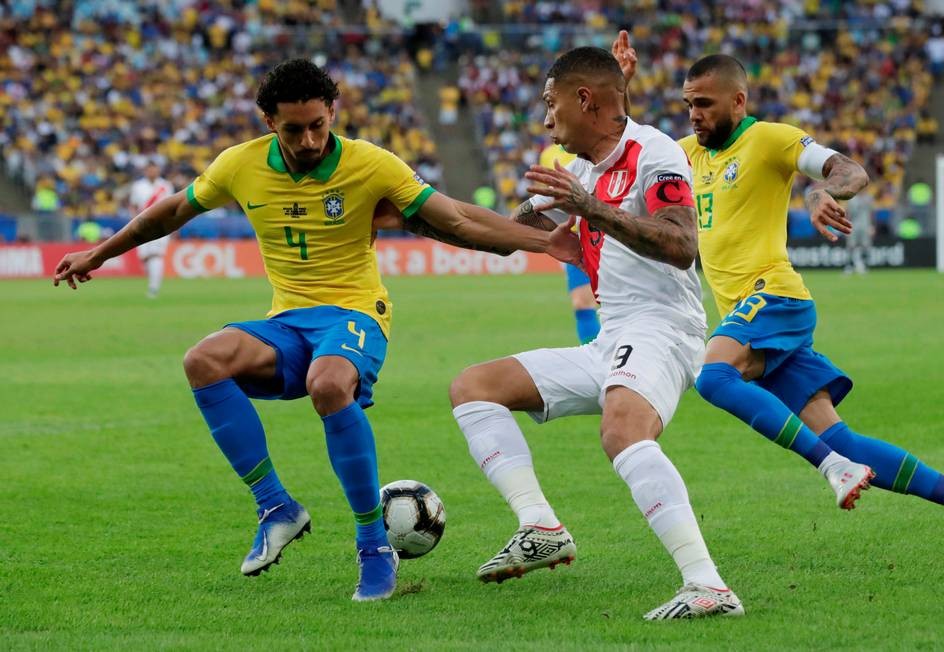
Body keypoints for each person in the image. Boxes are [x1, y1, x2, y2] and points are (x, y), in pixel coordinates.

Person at [54, 58, 580, 603]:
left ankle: (373, 546)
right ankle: (276, 506)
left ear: (332, 112)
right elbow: (168, 214)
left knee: (327, 384)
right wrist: (98, 253)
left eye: (317, 125)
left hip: (356, 314)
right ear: (267, 122)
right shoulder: (240, 164)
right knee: (202, 360)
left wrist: (543, 243)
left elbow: (456, 217)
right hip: (288, 320)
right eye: (292, 129)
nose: (307, 139)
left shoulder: (372, 163)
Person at [613, 33, 944, 561]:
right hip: (750, 317)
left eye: (704, 104)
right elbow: (632, 149)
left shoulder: (771, 139)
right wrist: (622, 88)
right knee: (843, 439)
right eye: (687, 105)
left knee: (713, 375)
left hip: (774, 295)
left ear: (738, 101)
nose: (693, 115)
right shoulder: (683, 154)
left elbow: (850, 170)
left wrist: (823, 190)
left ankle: (830, 467)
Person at [448, 47, 743, 621]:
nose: (544, 118)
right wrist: (415, 212)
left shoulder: (654, 154)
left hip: (664, 328)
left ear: (585, 100)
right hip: (611, 339)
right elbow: (509, 230)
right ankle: (540, 526)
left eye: (551, 103)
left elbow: (682, 247)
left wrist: (590, 209)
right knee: (474, 386)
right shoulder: (579, 170)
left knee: (622, 428)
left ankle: (707, 585)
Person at [540, 142, 600, 343]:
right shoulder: (548, 155)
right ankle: (596, 359)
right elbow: (547, 199)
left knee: (620, 306)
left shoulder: (598, 149)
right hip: (578, 239)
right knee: (582, 304)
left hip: (610, 236)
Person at [128, 161, 175, 298]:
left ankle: (153, 289)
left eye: (155, 169)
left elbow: (172, 206)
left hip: (160, 224)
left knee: (156, 254)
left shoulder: (165, 185)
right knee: (145, 257)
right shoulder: (138, 186)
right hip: (141, 224)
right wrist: (133, 222)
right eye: (150, 170)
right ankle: (153, 284)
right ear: (145, 171)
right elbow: (133, 205)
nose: (152, 172)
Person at [844, 186, 874, 275]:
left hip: (866, 225)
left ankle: (864, 266)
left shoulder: (869, 198)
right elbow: (848, 213)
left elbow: (872, 213)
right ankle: (849, 266)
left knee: (866, 246)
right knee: (851, 246)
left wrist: (872, 226)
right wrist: (846, 226)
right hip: (853, 226)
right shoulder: (851, 199)